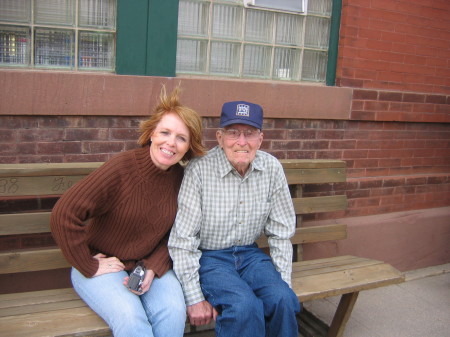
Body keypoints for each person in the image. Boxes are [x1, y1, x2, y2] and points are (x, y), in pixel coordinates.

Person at [50, 86, 206, 337]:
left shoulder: (182, 179)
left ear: (189, 147)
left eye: (181, 138)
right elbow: (64, 214)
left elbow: (180, 233)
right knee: (131, 318)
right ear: (152, 134)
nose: (171, 143)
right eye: (165, 132)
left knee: (173, 312)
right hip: (100, 265)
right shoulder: (122, 168)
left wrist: (154, 266)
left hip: (146, 265)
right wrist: (87, 264)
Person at [168, 101, 301, 337]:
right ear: (219, 138)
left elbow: (280, 232)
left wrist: (283, 284)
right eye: (233, 133)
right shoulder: (199, 169)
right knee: (243, 307)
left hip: (250, 255)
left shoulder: (271, 168)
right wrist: (194, 297)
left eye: (249, 133)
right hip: (211, 258)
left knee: (283, 300)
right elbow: (183, 238)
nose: (242, 142)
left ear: (260, 139)